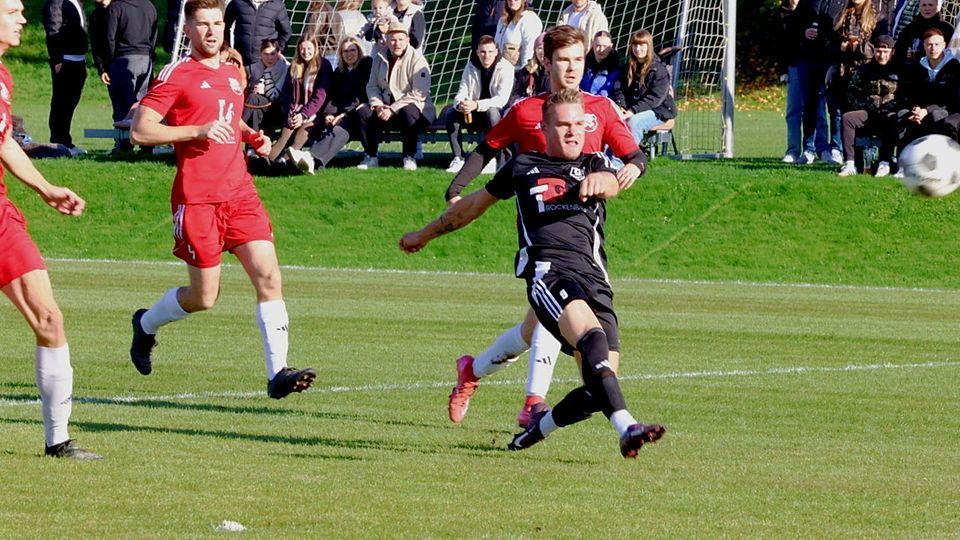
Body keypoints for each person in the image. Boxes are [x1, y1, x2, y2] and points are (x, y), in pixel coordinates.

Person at [400, 89, 666, 458]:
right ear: (545, 127)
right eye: (564, 125)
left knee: (597, 387)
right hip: (550, 274)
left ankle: (532, 433)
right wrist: (423, 235)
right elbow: (472, 207)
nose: (573, 132)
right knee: (591, 340)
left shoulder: (594, 164)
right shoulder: (524, 166)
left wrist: (602, 182)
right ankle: (628, 427)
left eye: (578, 124)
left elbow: (611, 183)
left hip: (595, 281)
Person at [442, 25, 646, 428]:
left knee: (533, 325)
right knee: (558, 313)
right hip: (540, 232)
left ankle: (472, 371)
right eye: (563, 60)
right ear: (546, 62)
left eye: (578, 60)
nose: (571, 68)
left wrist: (631, 171)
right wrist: (456, 189)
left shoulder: (600, 110)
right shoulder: (526, 110)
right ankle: (534, 403)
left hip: (585, 232)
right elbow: (487, 148)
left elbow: (635, 155)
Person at [128, 0, 317, 400]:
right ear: (188, 31)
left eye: (218, 24)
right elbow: (141, 131)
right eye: (203, 25)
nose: (212, 31)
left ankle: (277, 372)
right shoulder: (176, 74)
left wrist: (251, 136)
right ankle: (145, 324)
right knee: (204, 297)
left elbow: (229, 116)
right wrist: (196, 131)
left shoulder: (233, 72)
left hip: (239, 193)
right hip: (197, 200)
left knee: (269, 275)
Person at [0, 0, 99, 460]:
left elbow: (2, 142)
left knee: (49, 318)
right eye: (13, 10)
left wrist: (44, 187)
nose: (23, 18)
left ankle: (58, 441)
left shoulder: (2, 77)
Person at [357, 21, 435, 171]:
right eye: (392, 39)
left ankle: (409, 157)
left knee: (409, 110)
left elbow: (419, 93)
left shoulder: (417, 59)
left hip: (414, 112)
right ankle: (371, 156)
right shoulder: (378, 58)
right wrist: (378, 105)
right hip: (385, 109)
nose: (396, 43)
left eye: (400, 39)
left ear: (407, 40)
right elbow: (372, 86)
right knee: (363, 112)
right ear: (386, 40)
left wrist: (392, 109)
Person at [287, 36, 372, 174]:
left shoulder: (366, 65)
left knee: (339, 130)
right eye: (345, 51)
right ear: (341, 54)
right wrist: (329, 114)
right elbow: (332, 97)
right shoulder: (339, 72)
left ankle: (310, 157)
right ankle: (312, 162)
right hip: (342, 116)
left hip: (358, 113)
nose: (349, 54)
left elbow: (361, 95)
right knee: (335, 129)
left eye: (352, 50)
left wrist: (343, 114)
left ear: (359, 51)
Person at [837, 34, 912, 177]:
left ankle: (885, 162)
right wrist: (865, 104)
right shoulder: (864, 70)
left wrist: (893, 106)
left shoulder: (902, 70)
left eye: (885, 52)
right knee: (848, 118)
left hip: (891, 114)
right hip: (869, 113)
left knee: (892, 119)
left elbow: (907, 95)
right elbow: (851, 93)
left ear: (892, 51)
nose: (881, 55)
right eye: (878, 51)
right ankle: (850, 163)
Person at [444, 35, 513, 174]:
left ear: (496, 51)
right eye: (482, 52)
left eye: (490, 52)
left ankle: (492, 158)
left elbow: (501, 100)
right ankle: (458, 158)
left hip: (497, 115)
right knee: (451, 113)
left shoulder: (506, 68)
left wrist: (476, 104)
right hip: (473, 112)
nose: (486, 56)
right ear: (477, 52)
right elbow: (461, 91)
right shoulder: (470, 66)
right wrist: (461, 104)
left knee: (492, 112)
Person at [824, 0, 878, 165]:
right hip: (842, 73)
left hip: (865, 74)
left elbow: (875, 48)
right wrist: (841, 46)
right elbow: (831, 44)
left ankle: (867, 159)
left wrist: (854, 47)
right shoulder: (841, 13)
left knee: (864, 115)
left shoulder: (876, 15)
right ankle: (847, 157)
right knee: (843, 114)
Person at [104, 0, 158, 153]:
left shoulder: (116, 7)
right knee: (144, 104)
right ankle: (147, 144)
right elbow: (154, 34)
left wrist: (108, 64)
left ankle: (124, 145)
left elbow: (109, 38)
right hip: (145, 59)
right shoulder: (150, 6)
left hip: (123, 59)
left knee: (122, 105)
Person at [267, 35, 332, 163]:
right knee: (283, 137)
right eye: (302, 49)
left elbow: (320, 96)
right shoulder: (295, 66)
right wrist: (290, 112)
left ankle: (283, 163)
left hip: (316, 114)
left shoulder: (323, 65)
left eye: (309, 48)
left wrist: (303, 115)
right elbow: (286, 93)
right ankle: (266, 163)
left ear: (315, 48)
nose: (305, 52)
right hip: (295, 110)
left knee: (300, 136)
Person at [613, 29, 676, 146]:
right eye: (635, 45)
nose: (638, 49)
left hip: (659, 110)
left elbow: (655, 98)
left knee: (634, 122)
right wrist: (621, 106)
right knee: (614, 120)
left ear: (649, 46)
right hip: (633, 109)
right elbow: (618, 89)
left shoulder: (658, 70)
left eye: (642, 45)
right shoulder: (627, 68)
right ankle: (605, 159)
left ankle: (624, 160)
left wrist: (633, 110)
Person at [901, 28, 959, 151]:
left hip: (946, 109)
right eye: (929, 45)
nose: (933, 48)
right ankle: (899, 163)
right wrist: (915, 109)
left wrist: (927, 110)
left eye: (936, 44)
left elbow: (951, 99)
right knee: (902, 116)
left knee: (936, 116)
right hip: (922, 110)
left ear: (944, 45)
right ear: (924, 46)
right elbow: (913, 93)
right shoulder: (918, 67)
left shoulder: (954, 67)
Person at [42, 0, 87, 155]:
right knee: (61, 104)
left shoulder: (76, 1)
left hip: (78, 59)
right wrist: (57, 58)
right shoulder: (56, 2)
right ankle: (59, 143)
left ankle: (66, 142)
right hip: (66, 60)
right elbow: (53, 29)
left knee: (70, 103)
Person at [243, 38, 290, 136]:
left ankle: (239, 125)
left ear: (278, 53)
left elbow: (274, 95)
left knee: (253, 99)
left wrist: (263, 87)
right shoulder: (253, 68)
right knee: (254, 100)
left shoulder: (285, 68)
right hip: (258, 105)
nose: (269, 58)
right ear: (260, 54)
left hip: (277, 106)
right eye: (266, 54)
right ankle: (254, 141)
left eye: (272, 54)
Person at [224, 0, 291, 66]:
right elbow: (224, 26)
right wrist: (228, 49)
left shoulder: (277, 5)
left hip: (265, 62)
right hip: (240, 59)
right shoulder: (237, 2)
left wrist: (278, 52)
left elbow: (286, 32)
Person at [893, 0, 953, 65]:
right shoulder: (910, 28)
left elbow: (953, 53)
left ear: (937, 6)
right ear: (919, 6)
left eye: (930, 5)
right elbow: (898, 53)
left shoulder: (947, 29)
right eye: (924, 5)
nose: (927, 8)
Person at [494, 0, 543, 67]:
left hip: (516, 74)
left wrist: (522, 75)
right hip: (497, 72)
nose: (512, 0)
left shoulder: (530, 20)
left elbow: (529, 55)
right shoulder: (502, 20)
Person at [508, 31, 547, 107]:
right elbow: (517, 92)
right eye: (539, 48)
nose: (542, 52)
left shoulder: (553, 71)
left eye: (545, 48)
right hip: (526, 105)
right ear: (534, 50)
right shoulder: (526, 71)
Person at [580, 30, 619, 98]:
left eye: (605, 46)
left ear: (610, 46)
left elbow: (605, 94)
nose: (601, 50)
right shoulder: (583, 64)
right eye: (598, 45)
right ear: (593, 44)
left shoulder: (616, 70)